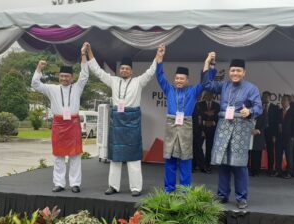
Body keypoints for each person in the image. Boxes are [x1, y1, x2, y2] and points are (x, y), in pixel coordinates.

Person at [87, 44, 158, 197]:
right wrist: (90, 53)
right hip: (117, 121)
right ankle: (113, 186)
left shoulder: (139, 81)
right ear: (120, 70)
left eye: (127, 68)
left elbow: (151, 71)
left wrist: (158, 57)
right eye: (122, 68)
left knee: (133, 157)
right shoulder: (113, 80)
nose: (124, 70)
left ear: (131, 71)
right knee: (115, 156)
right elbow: (98, 72)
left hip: (132, 121)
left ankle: (136, 188)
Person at [202, 55, 262, 209]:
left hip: (240, 127)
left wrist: (249, 111)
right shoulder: (224, 85)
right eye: (233, 70)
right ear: (229, 72)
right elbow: (207, 84)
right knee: (223, 163)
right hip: (223, 126)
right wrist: (208, 64)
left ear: (244, 72)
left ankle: (241, 197)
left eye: (238, 71)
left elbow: (259, 108)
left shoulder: (251, 88)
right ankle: (222, 195)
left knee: (239, 165)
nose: (235, 73)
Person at [155, 44, 217, 192]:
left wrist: (209, 63)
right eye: (176, 78)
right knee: (169, 159)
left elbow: (206, 82)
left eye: (182, 79)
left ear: (187, 80)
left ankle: (185, 191)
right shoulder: (168, 89)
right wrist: (160, 57)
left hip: (186, 126)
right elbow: (160, 75)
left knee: (185, 160)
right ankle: (168, 190)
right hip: (171, 125)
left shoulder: (193, 91)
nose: (178, 81)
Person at [31, 42, 89, 193]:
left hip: (73, 123)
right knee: (58, 156)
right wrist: (39, 68)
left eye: (67, 76)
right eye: (62, 76)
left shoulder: (77, 87)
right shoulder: (51, 89)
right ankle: (59, 183)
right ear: (59, 76)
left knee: (75, 156)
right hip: (58, 124)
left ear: (71, 77)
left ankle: (75, 184)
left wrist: (83, 54)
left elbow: (85, 75)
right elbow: (35, 84)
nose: (64, 78)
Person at [275, 95, 294, 178]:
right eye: (282, 100)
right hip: (279, 136)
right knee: (278, 154)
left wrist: (293, 136)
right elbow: (275, 124)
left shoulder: (293, 111)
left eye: (284, 100)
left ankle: (289, 172)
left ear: (289, 102)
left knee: (289, 155)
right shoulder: (279, 111)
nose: (282, 102)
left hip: (289, 137)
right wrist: (275, 135)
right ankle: (278, 171)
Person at [200, 91, 220, 172]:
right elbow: (198, 115)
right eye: (207, 95)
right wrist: (204, 122)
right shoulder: (199, 104)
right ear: (204, 96)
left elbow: (219, 116)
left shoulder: (217, 105)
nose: (208, 96)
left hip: (212, 129)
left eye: (210, 95)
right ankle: (199, 164)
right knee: (198, 147)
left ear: (212, 96)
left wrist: (213, 122)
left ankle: (207, 165)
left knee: (209, 148)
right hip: (201, 128)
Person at [262, 91, 279, 176]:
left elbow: (276, 123)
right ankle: (256, 168)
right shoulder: (259, 107)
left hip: (270, 133)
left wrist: (274, 135)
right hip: (260, 132)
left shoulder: (275, 108)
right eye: (263, 96)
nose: (264, 98)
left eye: (266, 96)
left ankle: (270, 169)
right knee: (257, 151)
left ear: (270, 97)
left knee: (270, 151)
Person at [249, 112, 267, 176]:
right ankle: (246, 170)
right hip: (248, 136)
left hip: (258, 137)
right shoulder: (249, 114)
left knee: (257, 155)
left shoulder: (263, 115)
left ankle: (256, 171)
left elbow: (265, 125)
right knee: (247, 155)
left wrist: (258, 130)